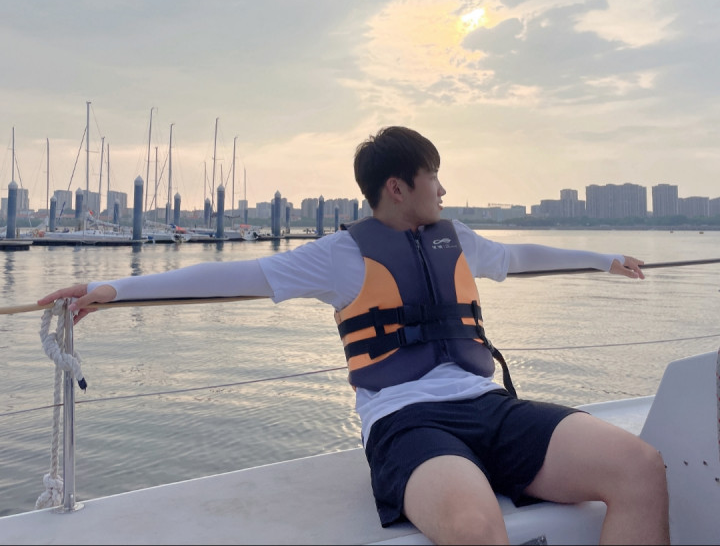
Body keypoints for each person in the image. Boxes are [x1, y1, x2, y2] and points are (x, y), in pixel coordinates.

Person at [39, 126, 669, 545]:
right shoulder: (338, 256)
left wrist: (604, 259)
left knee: (638, 467)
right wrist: (113, 289)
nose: (444, 189)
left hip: (490, 407)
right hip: (407, 423)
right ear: (398, 187)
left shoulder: (456, 240)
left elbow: (521, 256)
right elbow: (231, 275)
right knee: (476, 529)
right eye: (434, 176)